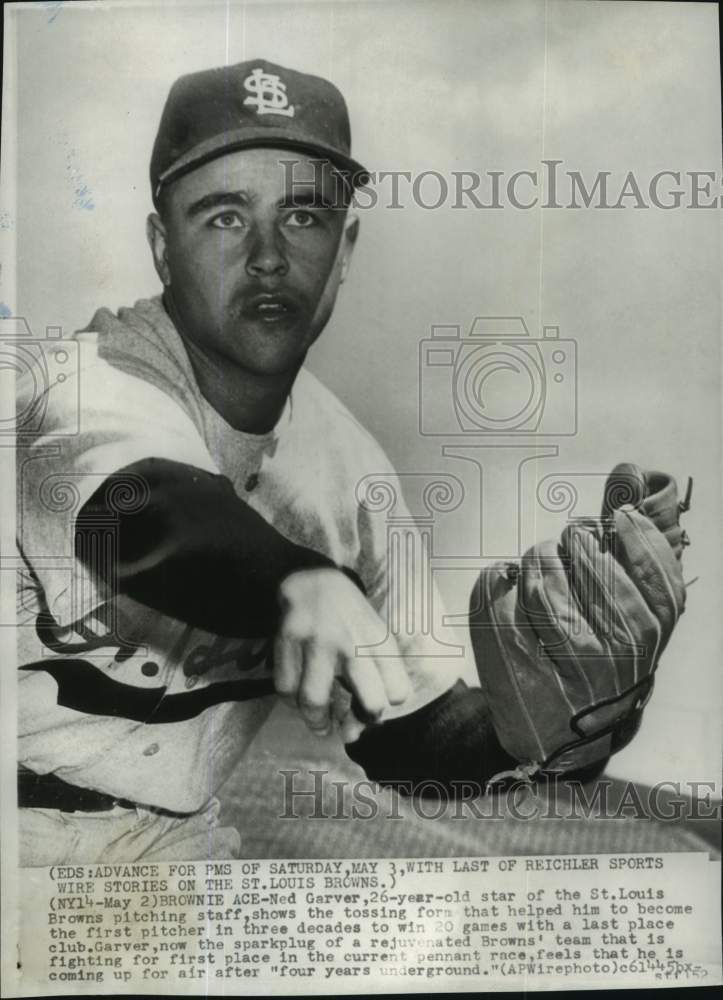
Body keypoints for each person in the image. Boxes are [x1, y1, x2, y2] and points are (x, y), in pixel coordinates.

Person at [14, 59, 681, 864]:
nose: (267, 256)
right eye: (223, 217)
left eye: (303, 218)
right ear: (161, 246)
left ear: (345, 249)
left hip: (176, 843)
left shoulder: (348, 471)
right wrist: (298, 581)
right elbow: (141, 512)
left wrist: (543, 731)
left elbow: (405, 735)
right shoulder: (79, 385)